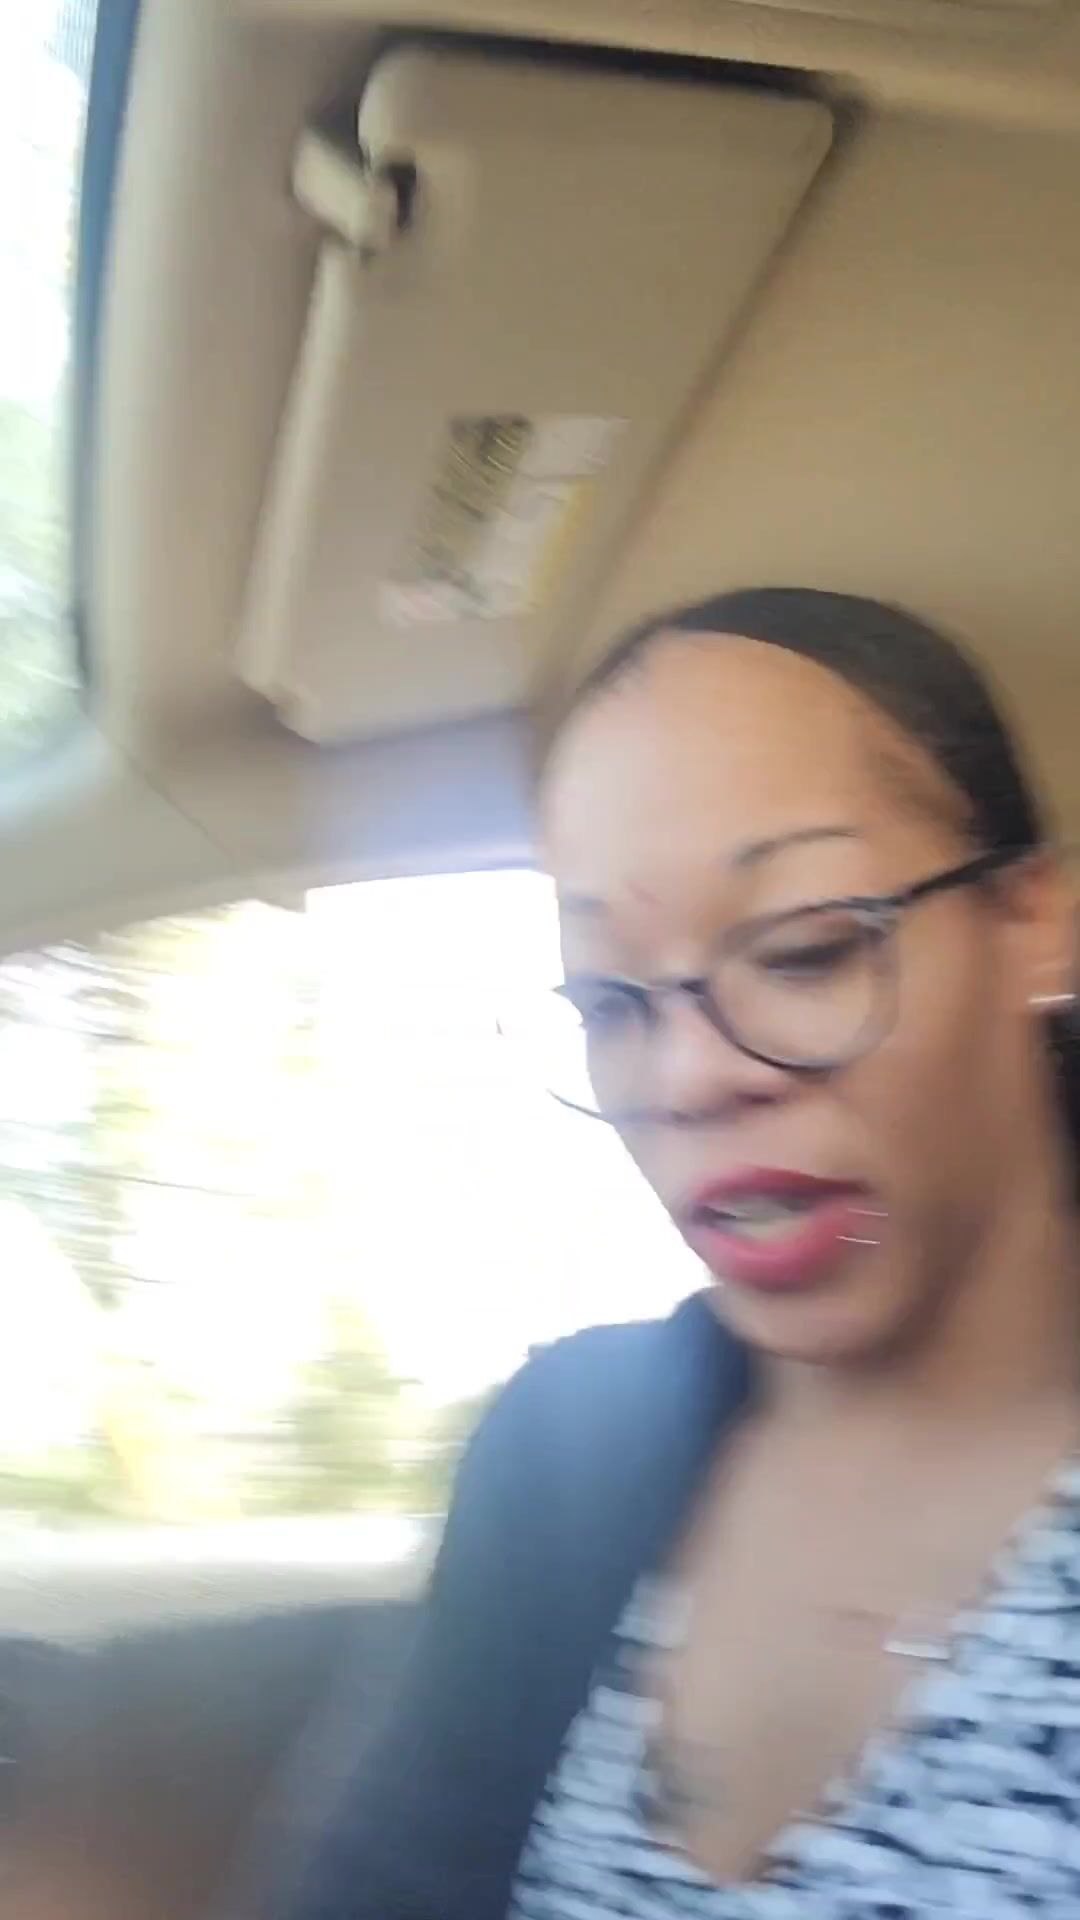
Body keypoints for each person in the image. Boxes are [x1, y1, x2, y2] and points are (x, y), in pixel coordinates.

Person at [283, 589, 1080, 1920]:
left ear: (1034, 922)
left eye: (807, 951)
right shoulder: (559, 1457)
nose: (687, 1078)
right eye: (610, 1001)